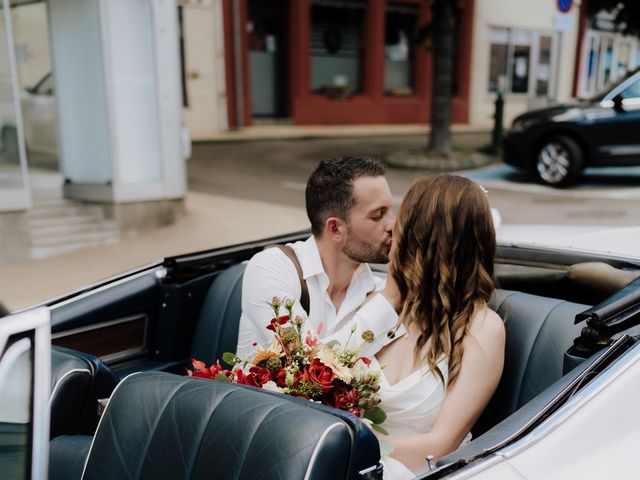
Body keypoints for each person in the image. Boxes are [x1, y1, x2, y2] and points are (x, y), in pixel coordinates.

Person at [375, 175, 505, 479]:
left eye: (402, 220)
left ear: (423, 238)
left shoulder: (483, 329)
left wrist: (347, 445)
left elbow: (442, 445)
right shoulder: (385, 307)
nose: (392, 228)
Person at [236, 156, 400, 359]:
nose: (393, 225)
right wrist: (388, 300)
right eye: (378, 215)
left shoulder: (377, 289)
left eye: (391, 211)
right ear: (336, 228)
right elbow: (307, 363)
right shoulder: (272, 268)